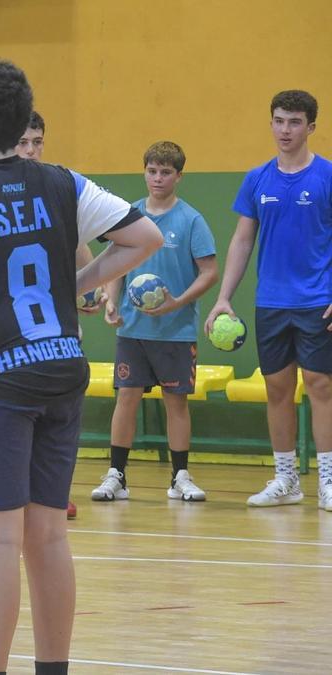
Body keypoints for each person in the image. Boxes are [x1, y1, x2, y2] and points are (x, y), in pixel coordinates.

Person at [0, 60, 161, 673]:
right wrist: (72, 287)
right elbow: (144, 238)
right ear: (24, 120)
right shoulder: (63, 182)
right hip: (61, 371)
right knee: (47, 537)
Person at [205, 90, 332, 509]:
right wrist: (224, 298)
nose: (285, 130)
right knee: (277, 388)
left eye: (294, 122)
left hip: (318, 299)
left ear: (311, 127)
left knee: (321, 386)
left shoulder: (327, 176)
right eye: (279, 120)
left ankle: (328, 481)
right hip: (271, 303)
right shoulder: (257, 179)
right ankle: (286, 480)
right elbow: (243, 240)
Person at [92, 141, 218, 502]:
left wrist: (177, 302)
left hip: (176, 332)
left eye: (165, 172)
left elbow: (209, 272)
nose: (158, 178)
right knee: (126, 397)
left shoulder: (191, 220)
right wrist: (111, 301)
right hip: (133, 330)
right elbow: (115, 265)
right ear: (144, 172)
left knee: (175, 402)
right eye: (152, 171)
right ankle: (117, 475)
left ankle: (179, 477)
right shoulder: (130, 216)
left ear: (179, 176)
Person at [16, 110, 85, 520]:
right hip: (11, 328)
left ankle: (55, 492)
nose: (31, 151)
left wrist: (89, 287)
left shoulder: (58, 187)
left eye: (37, 142)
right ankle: (15, 492)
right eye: (23, 142)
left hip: (57, 324)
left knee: (60, 414)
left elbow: (79, 245)